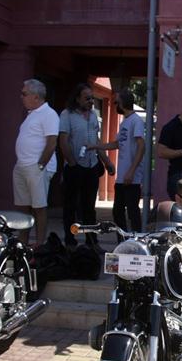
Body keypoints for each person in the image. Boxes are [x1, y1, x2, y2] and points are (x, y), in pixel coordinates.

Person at [60, 82, 114, 248]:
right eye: (87, 98)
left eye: (92, 98)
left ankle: (92, 241)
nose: (91, 101)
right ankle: (70, 241)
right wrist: (72, 163)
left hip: (91, 165)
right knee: (70, 207)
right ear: (77, 99)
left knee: (89, 208)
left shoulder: (93, 116)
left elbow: (96, 141)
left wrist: (107, 162)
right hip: (74, 166)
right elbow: (63, 141)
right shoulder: (67, 115)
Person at [13, 79, 60, 246]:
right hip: (22, 166)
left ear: (35, 96)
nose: (21, 97)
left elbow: (52, 142)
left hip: (36, 167)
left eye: (24, 94)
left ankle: (40, 244)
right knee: (23, 207)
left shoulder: (49, 114)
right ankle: (23, 242)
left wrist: (40, 165)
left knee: (39, 207)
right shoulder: (32, 114)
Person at [92, 89, 145, 232]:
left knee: (133, 212)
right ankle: (122, 239)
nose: (116, 105)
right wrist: (96, 146)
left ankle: (137, 239)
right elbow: (117, 144)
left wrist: (131, 171)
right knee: (117, 212)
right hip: (121, 177)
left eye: (117, 102)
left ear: (122, 103)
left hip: (132, 178)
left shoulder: (136, 121)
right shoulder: (124, 122)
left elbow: (141, 146)